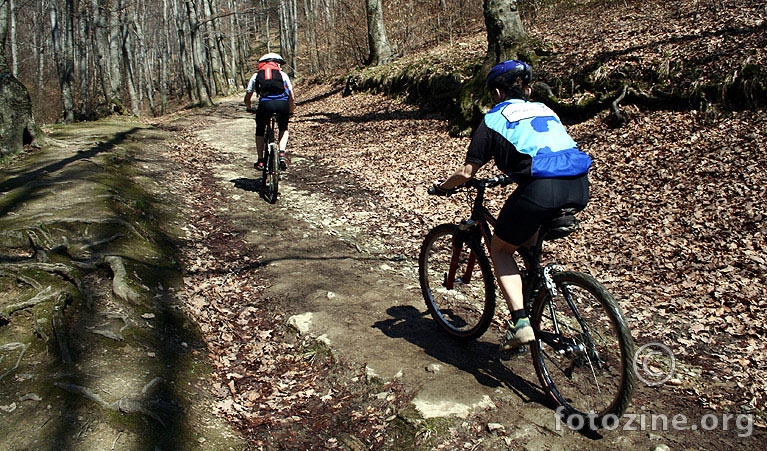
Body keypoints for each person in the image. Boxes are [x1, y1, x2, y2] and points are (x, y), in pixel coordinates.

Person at [434, 60, 592, 352]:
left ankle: (520, 322)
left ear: (496, 92)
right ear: (528, 88)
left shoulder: (493, 118)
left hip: (542, 189)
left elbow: (468, 172)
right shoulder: (546, 109)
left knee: (500, 248)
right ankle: (536, 293)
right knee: (526, 241)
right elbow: (542, 148)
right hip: (580, 184)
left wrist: (442, 188)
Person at [244, 53, 295, 170]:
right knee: (283, 128)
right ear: (277, 64)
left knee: (260, 130)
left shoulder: (256, 76)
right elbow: (291, 96)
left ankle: (261, 160)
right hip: (282, 105)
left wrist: (249, 107)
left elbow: (248, 97)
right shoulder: (283, 75)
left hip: (265, 105)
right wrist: (290, 111)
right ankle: (281, 153)